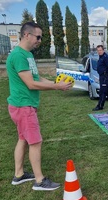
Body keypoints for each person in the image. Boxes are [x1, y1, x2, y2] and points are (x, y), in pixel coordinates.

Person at [7, 22, 72, 191]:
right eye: (38, 37)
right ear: (26, 35)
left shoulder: (27, 55)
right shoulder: (19, 56)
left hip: (23, 105)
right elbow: (30, 84)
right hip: (23, 106)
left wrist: (57, 84)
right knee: (35, 142)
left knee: (23, 139)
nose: (40, 40)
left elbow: (37, 78)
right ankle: (39, 181)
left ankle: (19, 175)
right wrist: (56, 87)